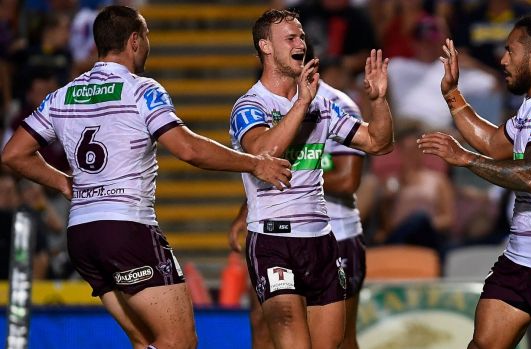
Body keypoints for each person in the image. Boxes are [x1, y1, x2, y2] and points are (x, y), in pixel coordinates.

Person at [1, 5, 292, 349]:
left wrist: (65, 183)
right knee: (179, 341)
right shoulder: (140, 89)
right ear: (135, 41)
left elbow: (12, 153)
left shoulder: (62, 95)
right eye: (148, 38)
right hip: (126, 229)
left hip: (81, 235)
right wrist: (255, 164)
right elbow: (187, 149)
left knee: (145, 341)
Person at [418, 14, 531, 349]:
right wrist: (452, 94)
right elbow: (494, 143)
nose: (502, 60)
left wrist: (465, 159)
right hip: (520, 255)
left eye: (509, 51)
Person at [229, 9, 393, 349]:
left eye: (302, 36)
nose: (301, 42)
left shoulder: (325, 105)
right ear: (266, 47)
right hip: (273, 242)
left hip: (321, 241)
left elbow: (379, 143)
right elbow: (263, 152)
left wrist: (377, 101)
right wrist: (302, 103)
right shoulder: (250, 105)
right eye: (290, 38)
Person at [229, 79, 368, 349]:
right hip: (277, 233)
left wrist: (306, 169)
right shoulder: (257, 104)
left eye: (298, 40)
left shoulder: (336, 104)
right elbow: (266, 166)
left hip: (335, 234)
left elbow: (349, 180)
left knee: (340, 340)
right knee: (264, 322)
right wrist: (244, 211)